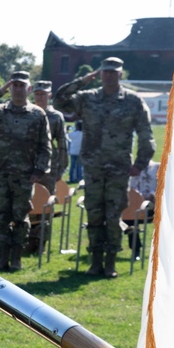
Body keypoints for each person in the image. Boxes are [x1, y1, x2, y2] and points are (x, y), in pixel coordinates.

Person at [55, 57, 155, 278]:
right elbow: (60, 100)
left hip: (119, 169)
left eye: (113, 72)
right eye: (105, 72)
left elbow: (146, 134)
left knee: (113, 215)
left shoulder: (133, 101)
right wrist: (83, 79)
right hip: (93, 168)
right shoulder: (88, 98)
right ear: (100, 74)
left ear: (120, 74)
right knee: (94, 214)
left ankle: (110, 262)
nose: (109, 75)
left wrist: (140, 163)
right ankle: (95, 261)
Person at [0, 71, 51, 271]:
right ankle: (1, 256)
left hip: (24, 175)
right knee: (1, 216)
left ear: (28, 89)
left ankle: (16, 257)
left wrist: (39, 170)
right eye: (14, 85)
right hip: (0, 173)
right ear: (9, 86)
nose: (17, 89)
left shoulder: (37, 114)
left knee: (20, 217)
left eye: (21, 85)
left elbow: (45, 145)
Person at [32, 80, 69, 188]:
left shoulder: (56, 116)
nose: (40, 97)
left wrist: (61, 168)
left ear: (49, 95)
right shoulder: (27, 112)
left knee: (46, 197)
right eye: (37, 94)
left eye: (43, 94)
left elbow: (62, 143)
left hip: (49, 165)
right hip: (27, 163)